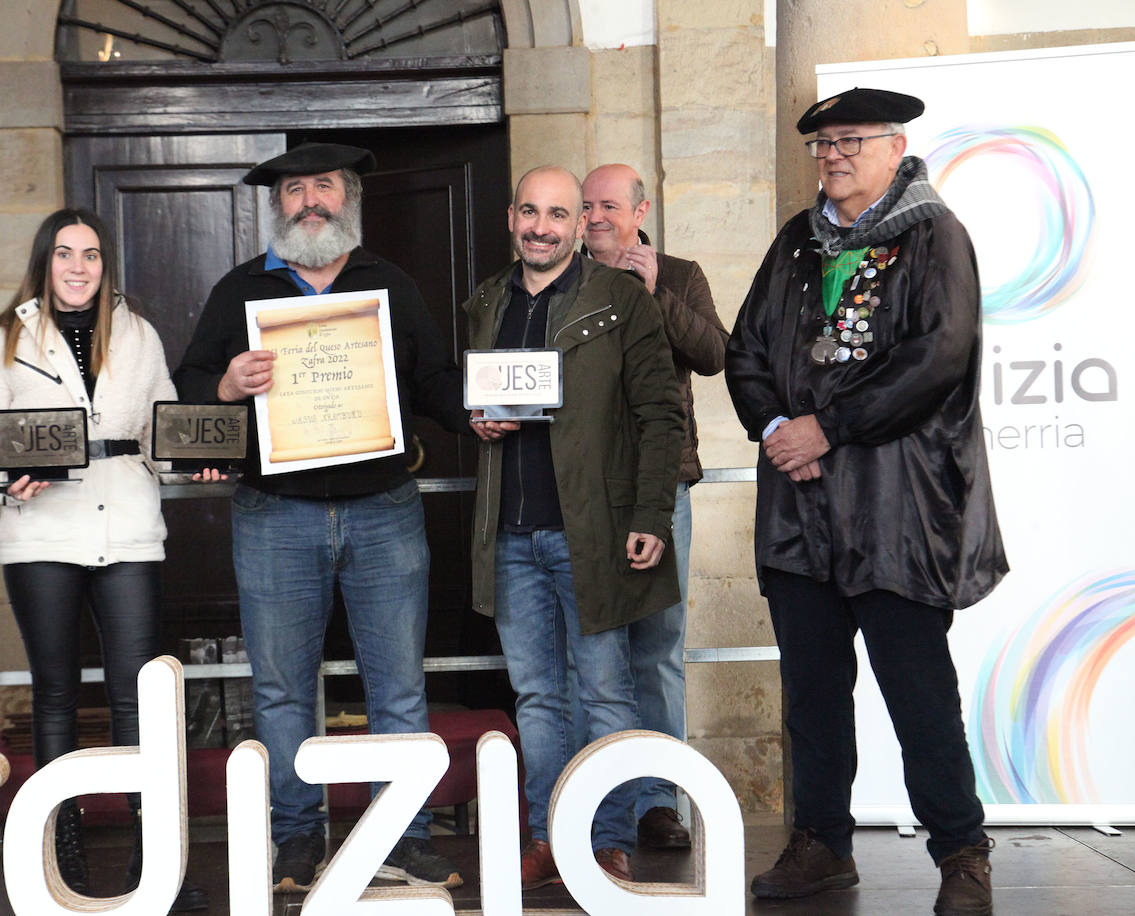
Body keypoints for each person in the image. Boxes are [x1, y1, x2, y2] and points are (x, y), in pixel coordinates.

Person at [725, 88, 1008, 915]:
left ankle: (962, 851)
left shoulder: (934, 235)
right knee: (812, 696)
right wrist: (779, 424)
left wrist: (828, 428)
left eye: (851, 141)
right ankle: (821, 845)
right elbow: (745, 350)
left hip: (897, 512)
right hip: (798, 516)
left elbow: (938, 358)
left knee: (919, 693)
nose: (834, 156)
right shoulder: (795, 244)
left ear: (896, 146)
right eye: (823, 145)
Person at [174, 143, 469, 892]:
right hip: (275, 516)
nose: (310, 200)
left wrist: (487, 411)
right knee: (280, 690)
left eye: (325, 187)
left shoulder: (389, 285)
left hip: (384, 513)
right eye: (296, 189)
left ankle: (402, 837)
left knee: (398, 686)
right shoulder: (239, 291)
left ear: (350, 198)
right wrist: (227, 383)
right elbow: (187, 388)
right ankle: (297, 842)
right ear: (278, 206)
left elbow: (434, 380)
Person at [0, 208, 207, 911]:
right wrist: (8, 474)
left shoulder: (136, 331)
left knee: (139, 698)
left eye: (91, 255)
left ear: (104, 264)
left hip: (128, 526)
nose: (78, 266)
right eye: (65, 254)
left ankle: (155, 858)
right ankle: (57, 854)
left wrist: (199, 459)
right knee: (57, 695)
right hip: (41, 532)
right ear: (44, 262)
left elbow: (163, 427)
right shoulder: (6, 338)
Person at [465, 166, 684, 888]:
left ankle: (609, 840)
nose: (541, 226)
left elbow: (661, 414)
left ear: (575, 224)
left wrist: (653, 512)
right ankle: (547, 836)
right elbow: (476, 393)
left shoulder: (620, 298)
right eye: (530, 211)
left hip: (591, 532)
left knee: (606, 693)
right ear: (510, 217)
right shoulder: (486, 303)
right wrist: (479, 419)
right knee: (536, 697)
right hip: (511, 534)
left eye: (557, 214)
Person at [579, 162, 729, 849]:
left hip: (660, 486)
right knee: (591, 655)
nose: (595, 217)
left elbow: (713, 354)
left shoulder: (678, 273)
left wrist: (652, 294)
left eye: (609, 205)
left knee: (658, 650)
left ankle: (660, 806)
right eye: (586, 206)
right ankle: (600, 807)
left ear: (641, 210)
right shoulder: (563, 277)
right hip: (581, 491)